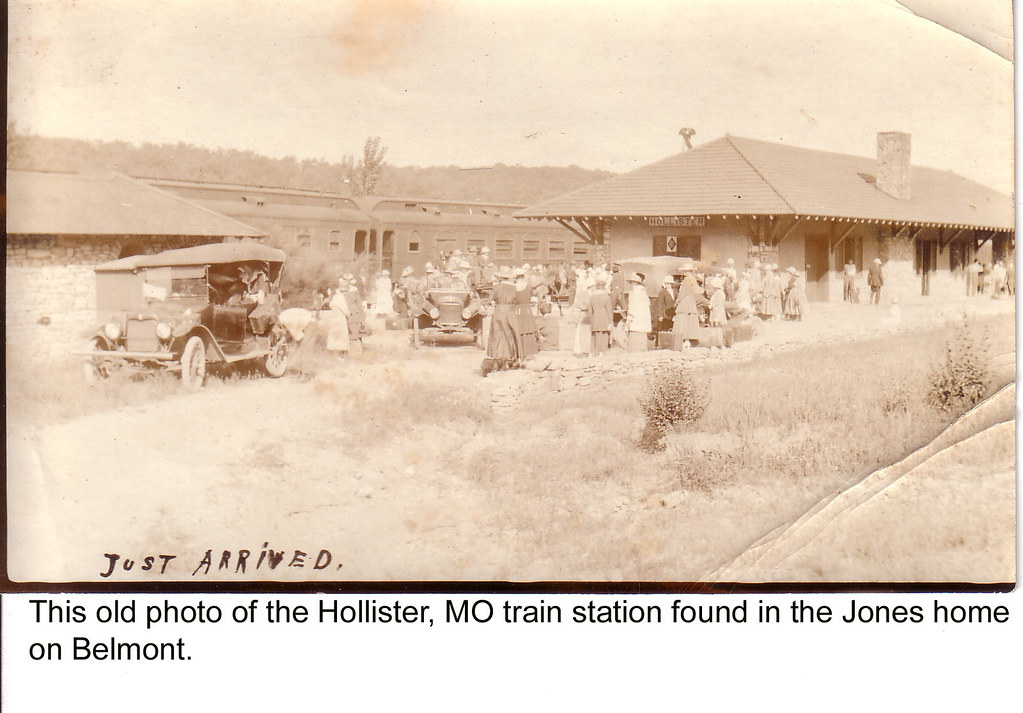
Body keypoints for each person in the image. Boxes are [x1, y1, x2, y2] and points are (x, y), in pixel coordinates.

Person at [483, 267, 520, 374]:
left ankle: (495, 362)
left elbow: (489, 301)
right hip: (510, 313)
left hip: (499, 312)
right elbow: (517, 301)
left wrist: (494, 303)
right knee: (509, 336)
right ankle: (506, 363)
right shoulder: (514, 288)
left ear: (500, 277)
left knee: (496, 336)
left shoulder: (497, 287)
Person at [672, 262, 701, 349]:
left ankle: (684, 340)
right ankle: (688, 340)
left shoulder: (687, 280)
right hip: (690, 301)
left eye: (685, 271)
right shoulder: (693, 279)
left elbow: (683, 292)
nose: (684, 273)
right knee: (689, 320)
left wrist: (677, 301)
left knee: (682, 320)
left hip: (685, 302)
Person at [587, 272, 614, 354]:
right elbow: (609, 310)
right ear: (604, 287)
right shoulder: (606, 297)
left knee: (595, 335)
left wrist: (591, 319)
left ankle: (595, 350)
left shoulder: (592, 296)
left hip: (595, 317)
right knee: (604, 334)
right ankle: (602, 351)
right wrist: (611, 320)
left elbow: (590, 310)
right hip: (604, 317)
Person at [326, 277, 351, 359]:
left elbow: (330, 305)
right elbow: (346, 311)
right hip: (340, 320)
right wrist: (349, 314)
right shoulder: (341, 299)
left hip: (334, 320)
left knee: (334, 338)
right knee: (342, 338)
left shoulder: (334, 298)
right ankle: (341, 357)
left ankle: (333, 355)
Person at [625, 273, 651, 352]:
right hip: (644, 319)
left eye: (632, 282)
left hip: (636, 318)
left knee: (634, 339)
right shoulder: (643, 292)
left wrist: (629, 319)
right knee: (642, 337)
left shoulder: (633, 293)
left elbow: (632, 306)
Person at [651, 275, 676, 347]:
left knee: (670, 328)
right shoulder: (662, 292)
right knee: (663, 328)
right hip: (665, 313)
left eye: (669, 283)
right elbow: (660, 304)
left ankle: (669, 343)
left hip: (672, 313)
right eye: (667, 283)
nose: (668, 285)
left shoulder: (674, 291)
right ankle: (659, 343)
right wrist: (660, 315)